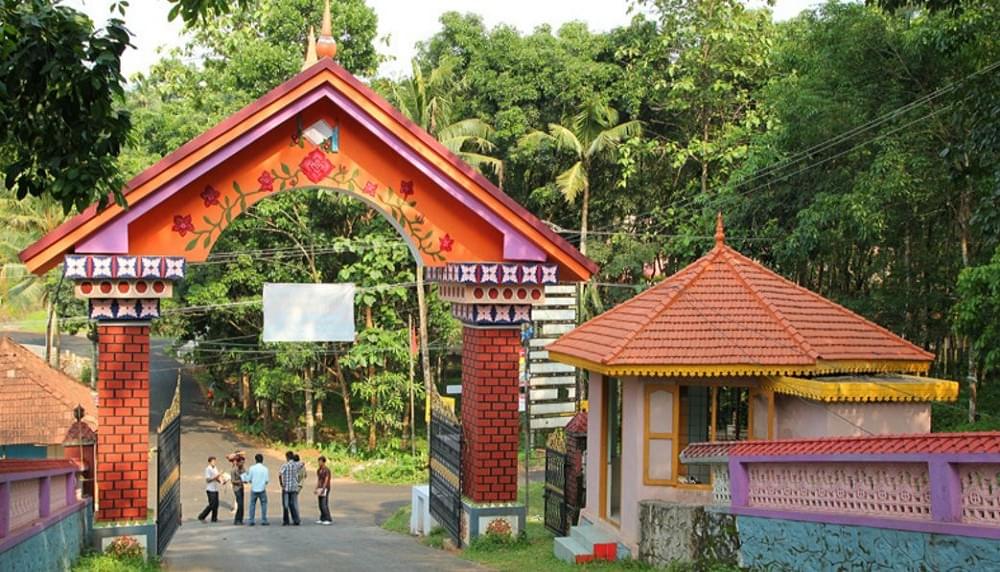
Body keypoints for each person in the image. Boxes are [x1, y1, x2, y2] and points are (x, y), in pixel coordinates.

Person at [242, 453, 270, 526]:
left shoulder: (252, 468)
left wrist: (245, 478)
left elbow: (249, 479)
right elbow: (267, 480)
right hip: (262, 489)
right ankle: (264, 520)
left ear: (255, 460)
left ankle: (251, 520)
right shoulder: (265, 469)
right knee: (264, 504)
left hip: (254, 488)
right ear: (262, 460)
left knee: (252, 504)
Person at [279, 451, 301, 526]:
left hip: (286, 488)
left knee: (285, 504)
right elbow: (302, 464)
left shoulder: (285, 465)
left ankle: (286, 520)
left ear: (287, 457)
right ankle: (296, 520)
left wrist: (281, 484)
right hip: (294, 487)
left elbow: (280, 474)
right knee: (293, 504)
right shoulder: (297, 465)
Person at [197, 456, 221, 523]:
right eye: (213, 461)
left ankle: (214, 518)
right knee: (212, 504)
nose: (214, 463)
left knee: (216, 504)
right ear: (210, 462)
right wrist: (215, 477)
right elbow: (208, 480)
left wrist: (221, 480)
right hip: (210, 489)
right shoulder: (208, 469)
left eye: (215, 461)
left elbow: (217, 478)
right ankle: (202, 516)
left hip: (216, 488)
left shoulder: (215, 468)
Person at [227, 452, 246, 525]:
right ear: (238, 462)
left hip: (241, 487)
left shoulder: (242, 469)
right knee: (240, 504)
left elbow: (245, 475)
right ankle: (237, 519)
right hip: (236, 488)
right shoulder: (233, 470)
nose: (243, 464)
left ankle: (240, 519)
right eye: (241, 462)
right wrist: (240, 481)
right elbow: (233, 481)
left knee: (242, 505)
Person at [315, 456, 332, 525]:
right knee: (320, 504)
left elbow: (326, 480)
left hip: (326, 488)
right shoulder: (319, 470)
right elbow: (319, 479)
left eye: (320, 461)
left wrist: (324, 488)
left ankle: (328, 518)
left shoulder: (326, 470)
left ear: (323, 462)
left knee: (324, 503)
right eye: (318, 461)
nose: (319, 463)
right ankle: (322, 518)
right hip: (320, 487)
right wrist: (316, 488)